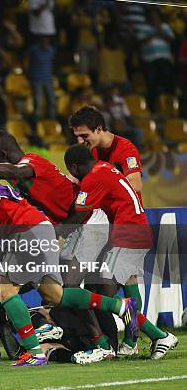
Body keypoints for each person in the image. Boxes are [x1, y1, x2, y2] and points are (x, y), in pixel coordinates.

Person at [0, 142, 139, 367]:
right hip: (33, 228)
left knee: (5, 291)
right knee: (55, 296)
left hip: (25, 229)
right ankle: (119, 306)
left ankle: (35, 353)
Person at [0, 131, 115, 364]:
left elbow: (14, 171)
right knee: (57, 290)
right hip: (73, 225)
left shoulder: (31, 162)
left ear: (3, 154)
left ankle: (103, 341)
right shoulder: (17, 176)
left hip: (87, 220)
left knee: (69, 285)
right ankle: (88, 331)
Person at [63, 144, 178, 360]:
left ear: (74, 167)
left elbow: (79, 216)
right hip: (138, 230)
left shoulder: (93, 178)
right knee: (128, 284)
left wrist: (57, 232)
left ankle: (158, 335)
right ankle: (132, 341)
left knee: (107, 292)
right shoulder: (105, 168)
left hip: (127, 235)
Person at [69, 106, 143, 195]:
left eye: (84, 136)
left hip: (124, 208)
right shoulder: (86, 150)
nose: (80, 141)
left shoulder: (125, 149)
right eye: (77, 136)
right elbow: (75, 180)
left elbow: (136, 185)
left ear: (99, 129)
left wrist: (100, 191)